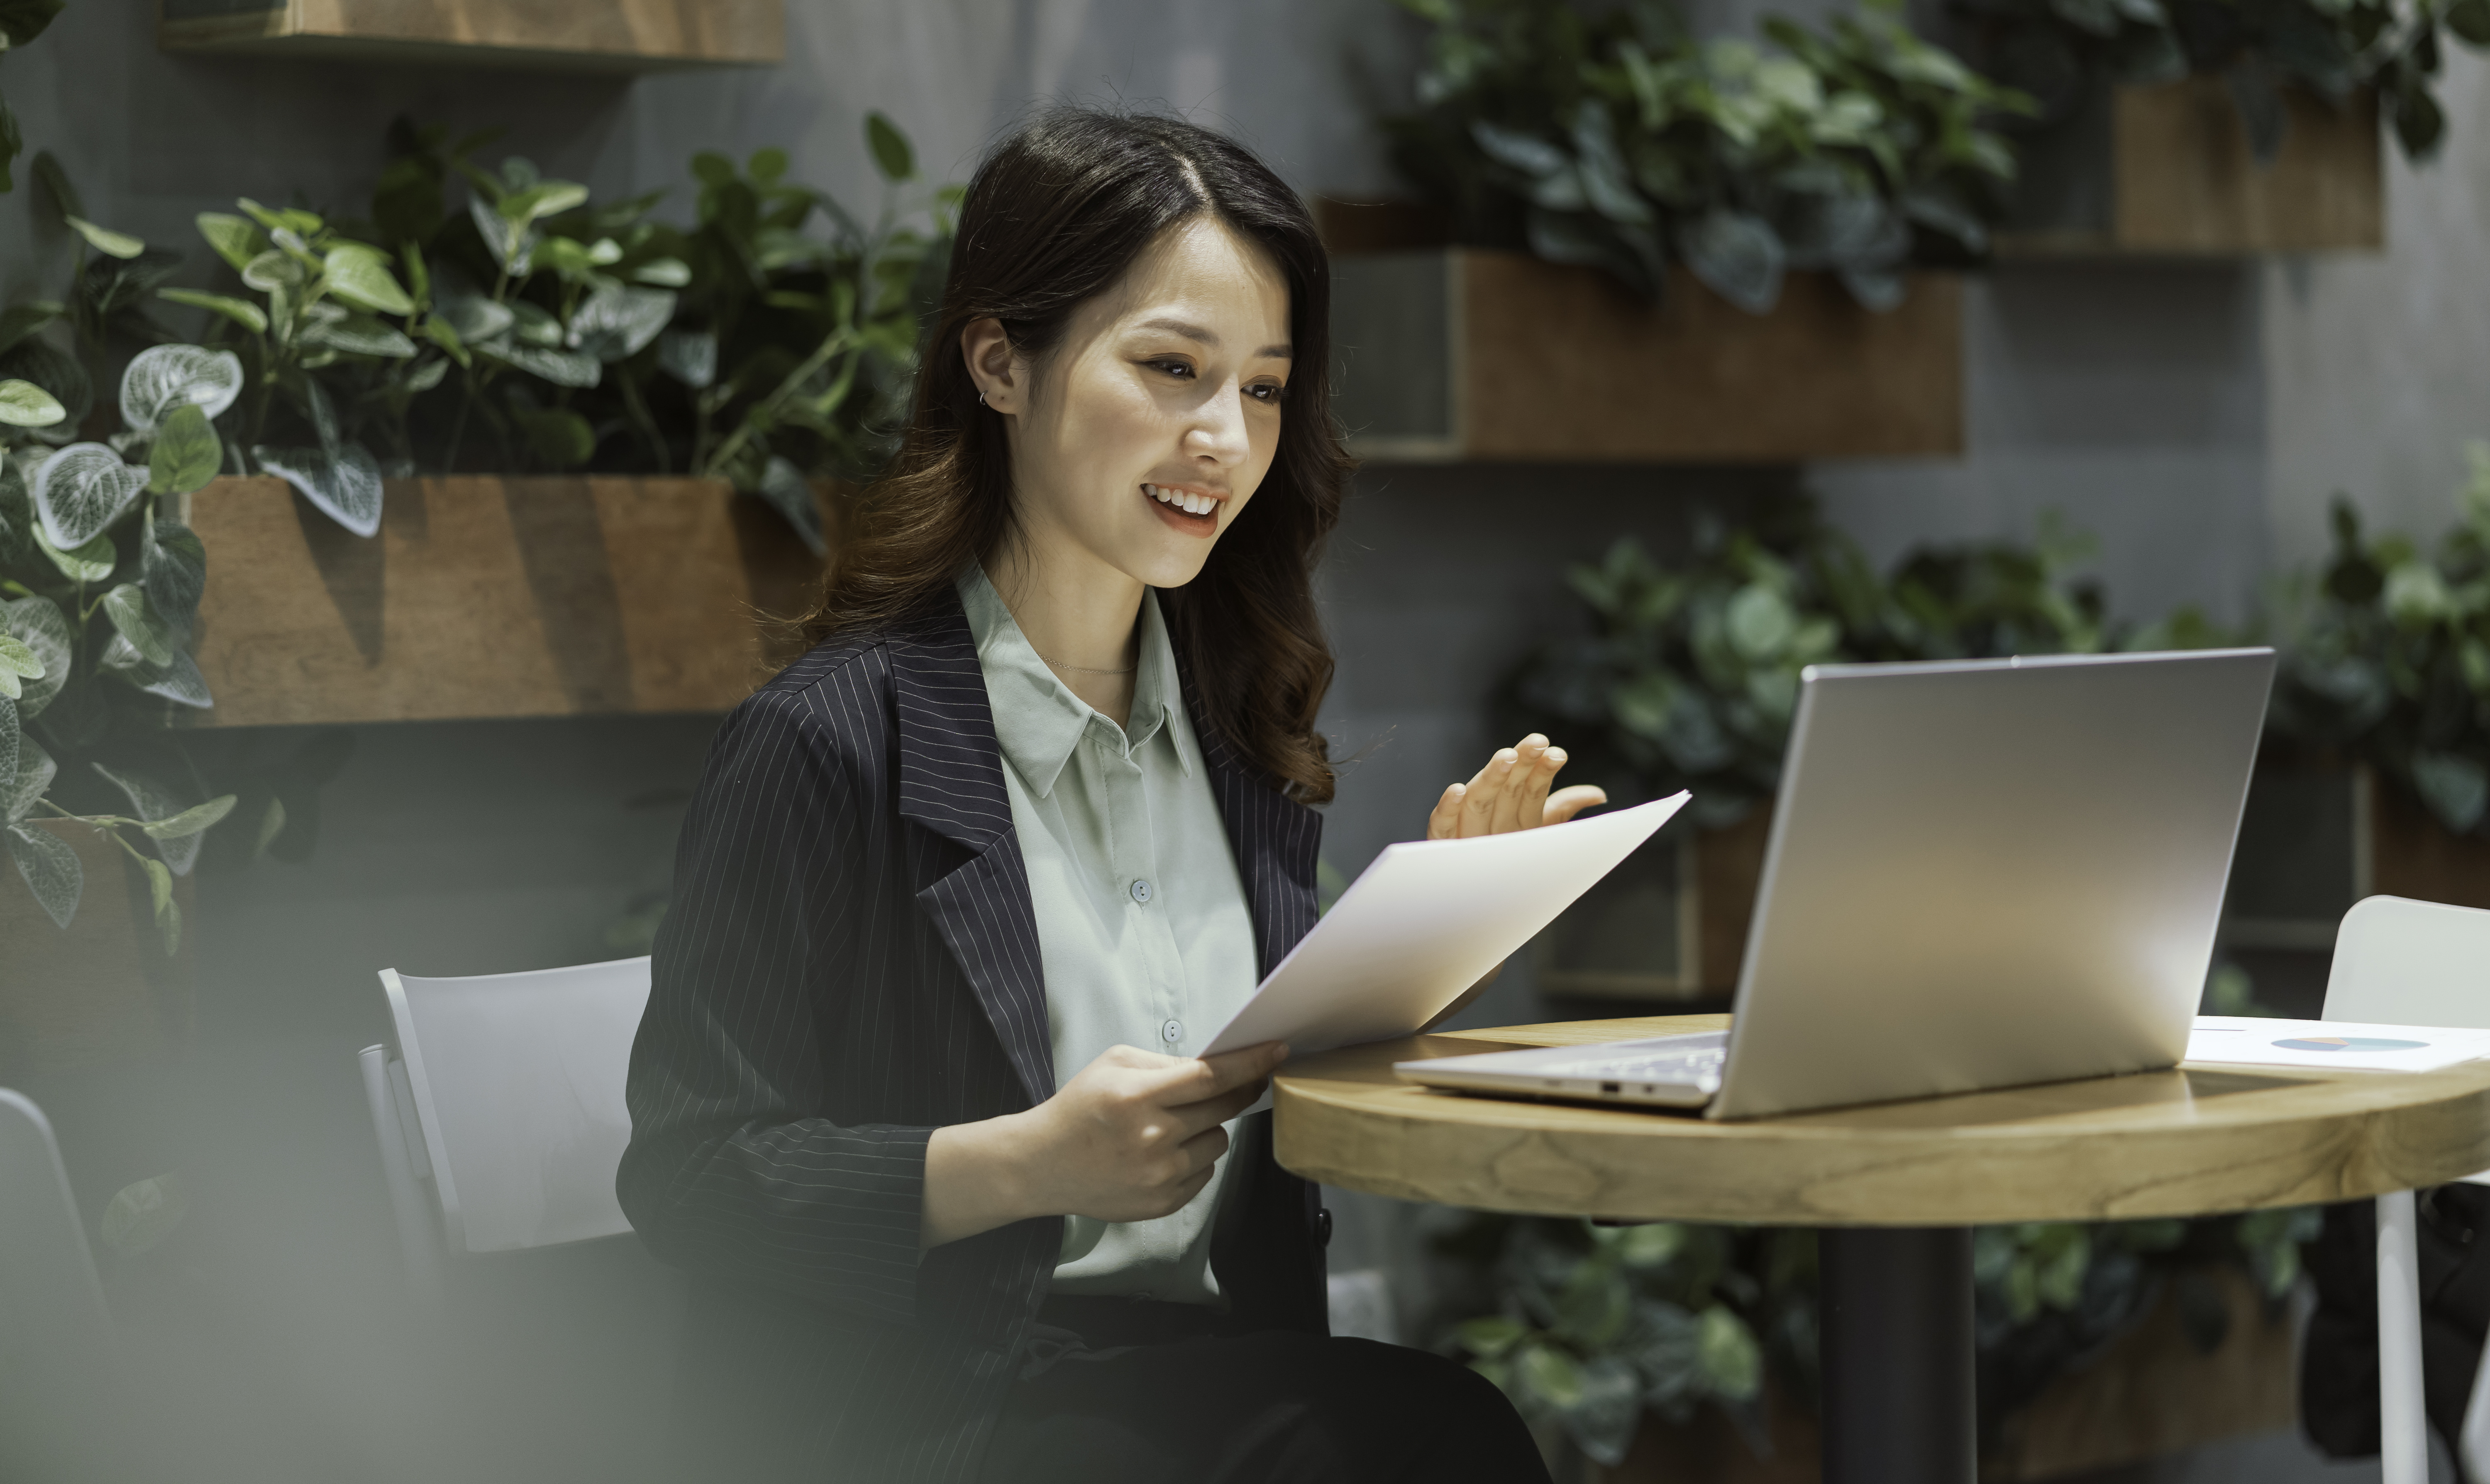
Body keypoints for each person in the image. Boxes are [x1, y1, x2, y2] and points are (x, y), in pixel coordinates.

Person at [618, 106, 1605, 1484]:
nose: (1225, 438)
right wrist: (1028, 1165)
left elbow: (1248, 1097)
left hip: (1204, 1379)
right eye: (1171, 368)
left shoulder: (1241, 730)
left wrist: (1415, 951)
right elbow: (695, 1179)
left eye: (1262, 389)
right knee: (1421, 1440)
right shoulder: (831, 740)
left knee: (1427, 1429)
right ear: (999, 363)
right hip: (932, 1412)